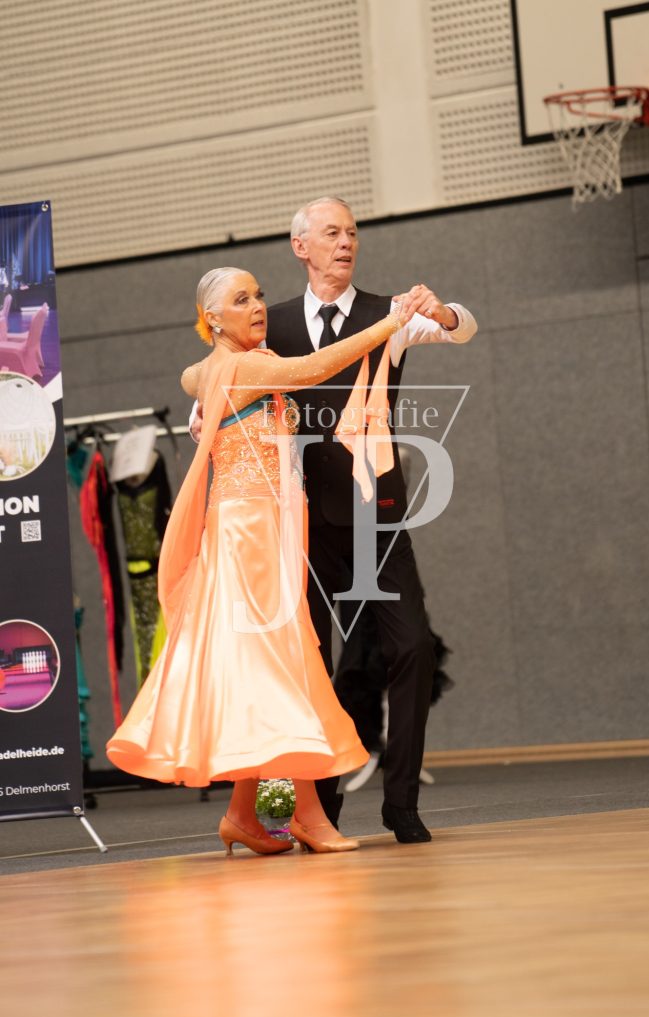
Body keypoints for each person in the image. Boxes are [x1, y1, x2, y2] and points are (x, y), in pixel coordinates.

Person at [107, 266, 421, 856]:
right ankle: (309, 815)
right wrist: (388, 324)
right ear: (213, 319)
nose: (257, 305)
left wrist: (207, 382)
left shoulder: (219, 367)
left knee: (260, 670)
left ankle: (241, 816)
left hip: (253, 531)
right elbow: (313, 369)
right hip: (248, 535)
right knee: (282, 666)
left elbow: (190, 374)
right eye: (241, 299)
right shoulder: (246, 368)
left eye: (257, 295)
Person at [191, 198, 478, 844]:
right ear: (302, 247)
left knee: (413, 646)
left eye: (351, 232)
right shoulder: (268, 324)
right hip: (302, 523)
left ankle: (401, 802)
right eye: (331, 233)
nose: (345, 242)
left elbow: (463, 328)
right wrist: (202, 414)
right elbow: (223, 380)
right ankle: (315, 810)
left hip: (378, 515)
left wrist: (443, 313)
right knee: (308, 662)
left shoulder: (390, 314)